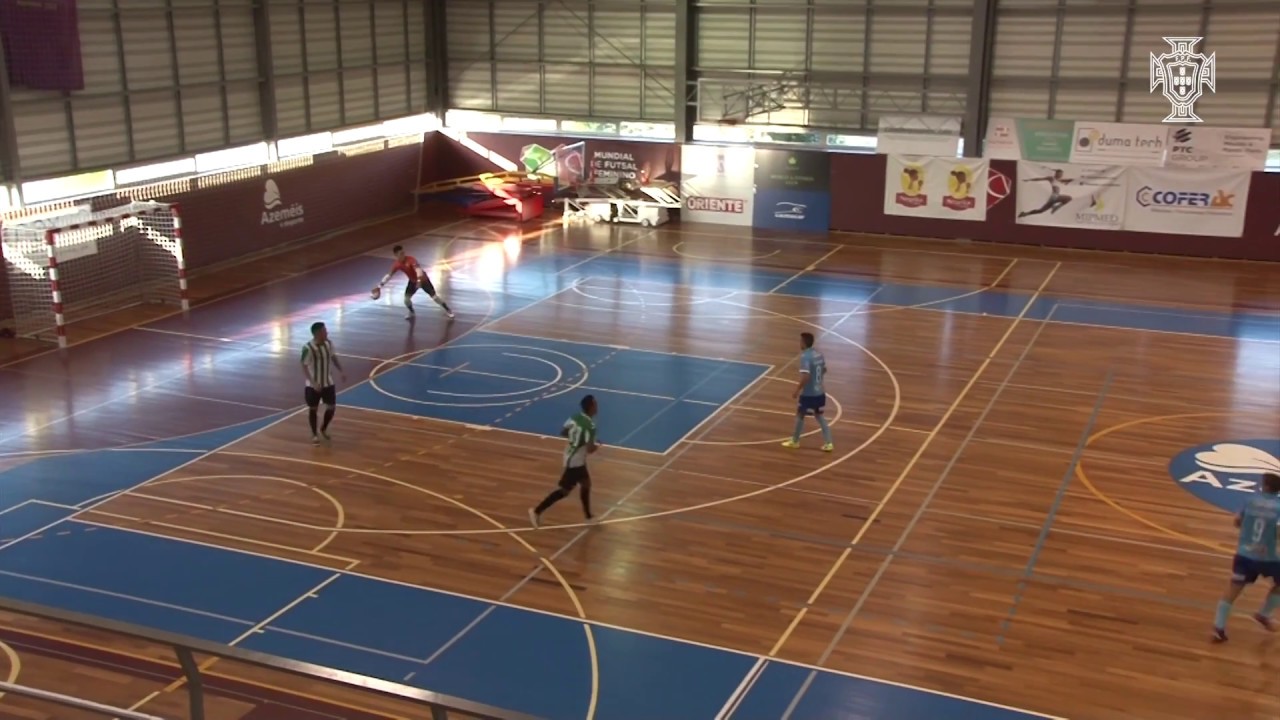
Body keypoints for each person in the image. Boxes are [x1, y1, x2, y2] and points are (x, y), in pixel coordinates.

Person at [1212, 472, 1280, 642]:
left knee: (1233, 589)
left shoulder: (1249, 501)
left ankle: (1218, 627)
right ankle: (1263, 614)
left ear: (1265, 486)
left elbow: (1236, 522)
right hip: (1269, 557)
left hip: (1245, 554)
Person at [529, 395, 600, 528]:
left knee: (586, 484)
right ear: (590, 407)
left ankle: (589, 517)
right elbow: (590, 449)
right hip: (575, 462)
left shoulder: (575, 417)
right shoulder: (590, 426)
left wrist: (575, 438)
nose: (597, 407)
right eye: (595, 404)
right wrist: (597, 446)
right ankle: (536, 511)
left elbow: (563, 432)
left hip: (570, 456)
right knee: (564, 491)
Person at [782, 332, 833, 452]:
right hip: (820, 392)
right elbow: (824, 369)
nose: (799, 343)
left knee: (800, 415)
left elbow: (806, 376)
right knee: (820, 416)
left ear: (804, 343)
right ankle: (829, 443)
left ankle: (795, 441)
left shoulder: (805, 357)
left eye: (800, 341)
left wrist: (797, 390)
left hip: (809, 394)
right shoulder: (819, 355)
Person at [374, 245, 454, 320]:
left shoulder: (411, 259)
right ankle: (412, 312)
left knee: (434, 297)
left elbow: (418, 270)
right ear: (396, 255)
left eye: (403, 253)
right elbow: (389, 275)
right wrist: (379, 286)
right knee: (406, 300)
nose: (403, 255)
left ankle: (448, 310)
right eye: (401, 254)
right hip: (412, 282)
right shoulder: (397, 265)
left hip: (423, 280)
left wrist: (419, 280)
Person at [300, 321, 346, 445]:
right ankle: (314, 434)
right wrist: (313, 382)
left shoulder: (329, 344)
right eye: (324, 331)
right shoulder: (308, 348)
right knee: (313, 408)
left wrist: (341, 370)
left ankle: (323, 428)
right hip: (313, 385)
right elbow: (304, 366)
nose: (327, 332)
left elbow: (333, 357)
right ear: (318, 333)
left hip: (328, 382)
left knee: (331, 407)